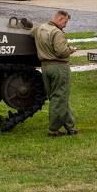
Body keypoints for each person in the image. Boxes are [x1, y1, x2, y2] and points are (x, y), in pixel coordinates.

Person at [31, 9, 77, 137]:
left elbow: (31, 33)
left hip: (45, 67)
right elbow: (61, 52)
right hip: (59, 67)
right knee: (60, 97)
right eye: (65, 22)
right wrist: (71, 50)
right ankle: (53, 129)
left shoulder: (40, 28)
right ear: (60, 19)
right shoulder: (57, 33)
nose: (66, 25)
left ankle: (70, 126)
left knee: (58, 97)